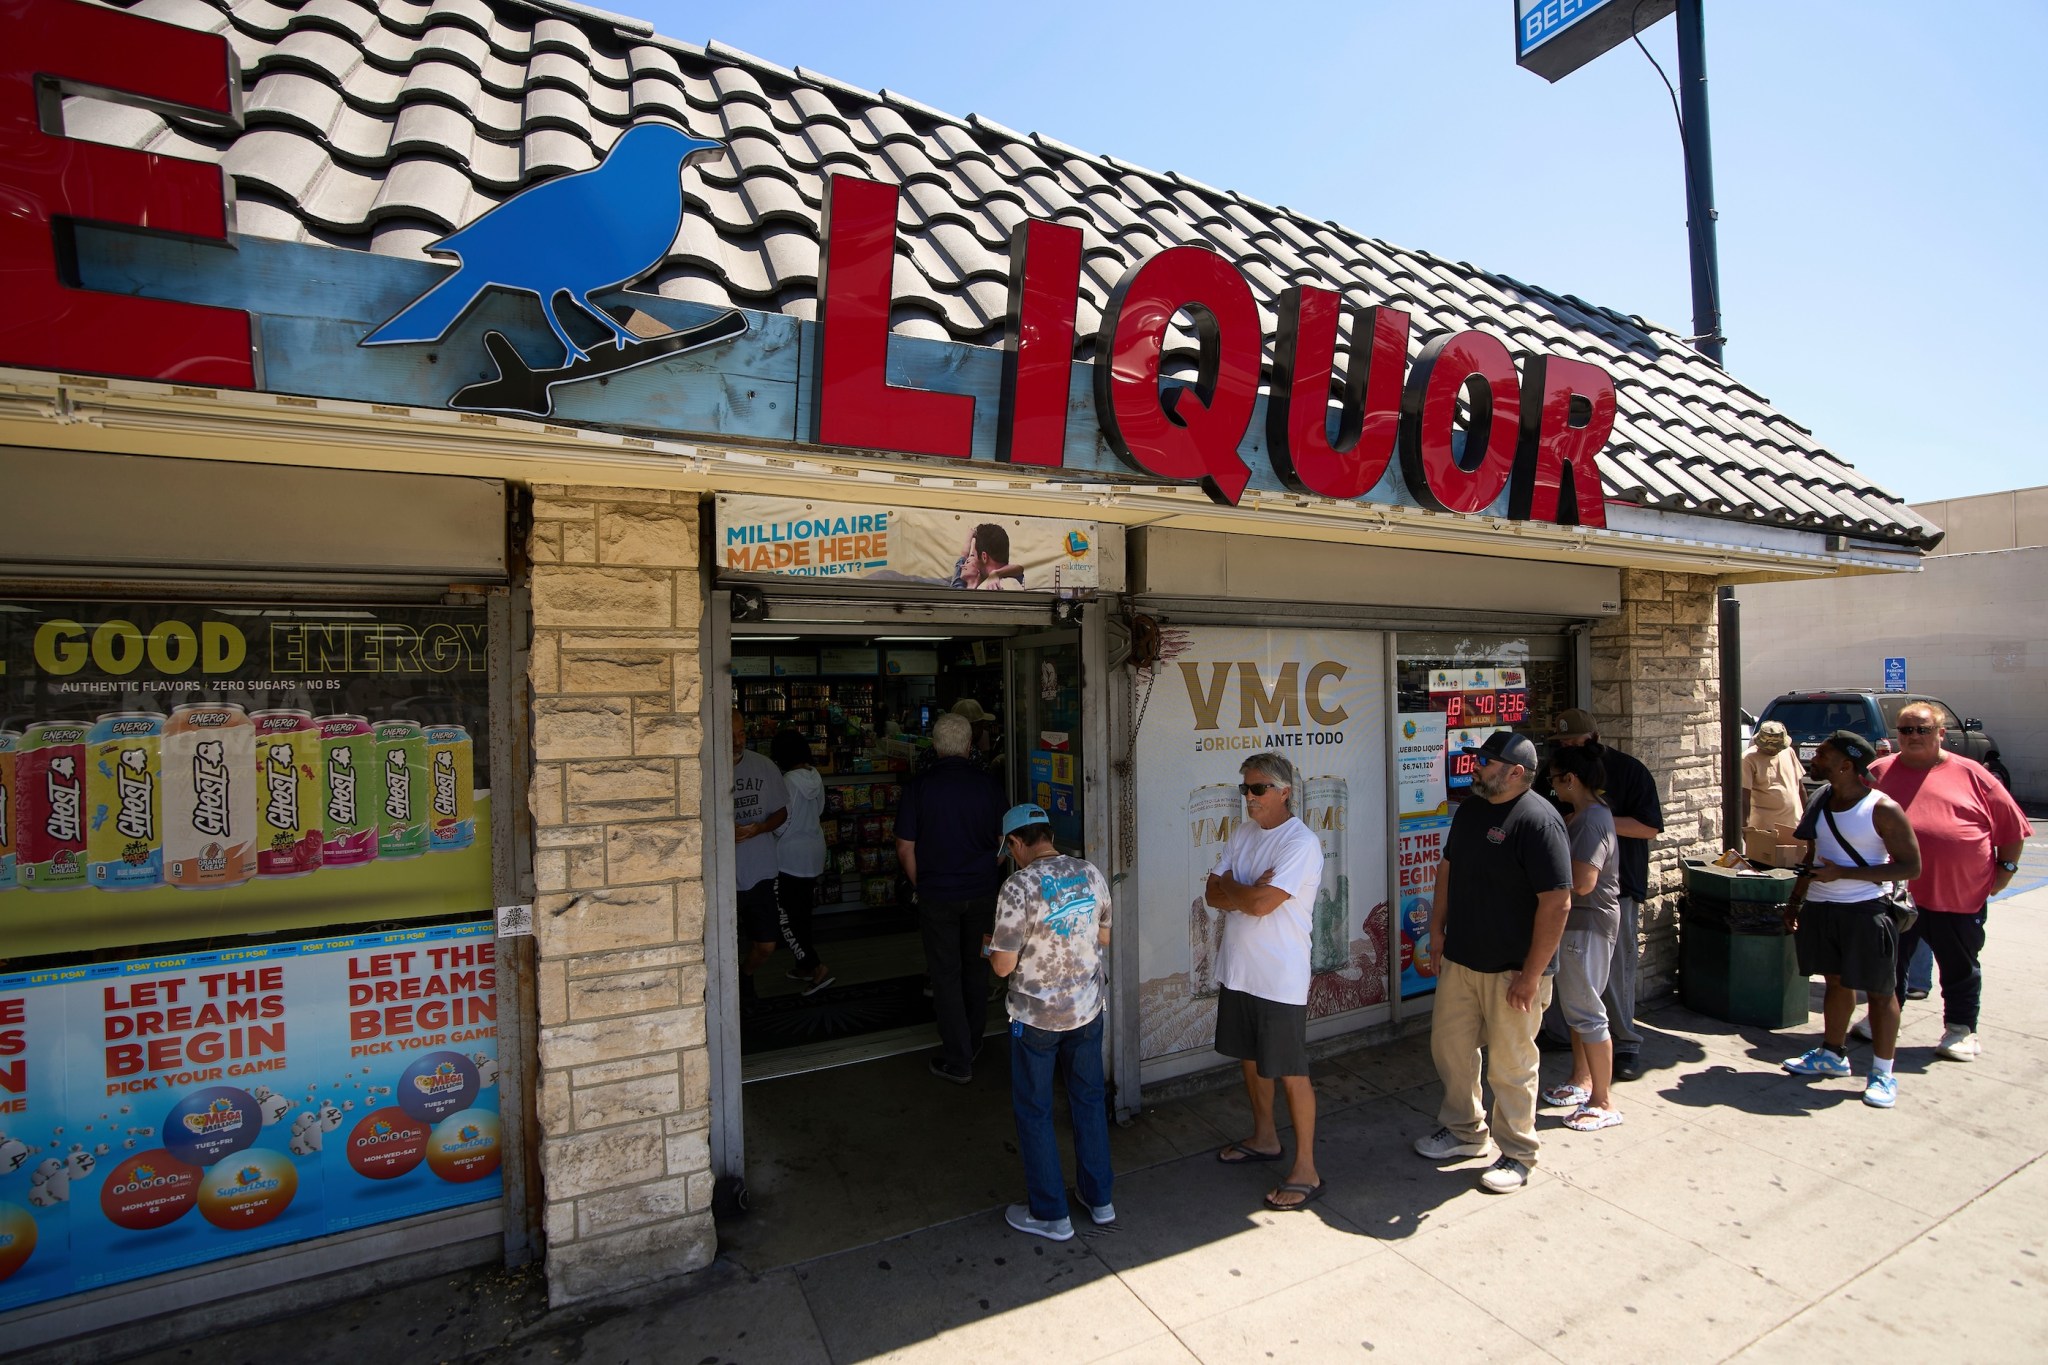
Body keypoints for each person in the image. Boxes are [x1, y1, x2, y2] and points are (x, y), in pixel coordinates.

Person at [1412, 729, 1572, 1195]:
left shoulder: (1539, 822)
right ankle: (1464, 1130)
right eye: (1477, 759)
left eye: (1485, 761)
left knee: (1511, 1065)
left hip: (1513, 971)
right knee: (1451, 1049)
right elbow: (1447, 868)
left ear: (1516, 772)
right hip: (1463, 959)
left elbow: (1557, 903)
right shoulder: (1471, 810)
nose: (1476, 767)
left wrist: (1532, 974)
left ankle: (1518, 1152)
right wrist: (1437, 930)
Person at [1861, 700, 2031, 1062]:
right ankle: (1885, 1019)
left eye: (1922, 729)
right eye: (1906, 730)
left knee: (1959, 966)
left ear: (1941, 733)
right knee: (1889, 963)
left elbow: (2012, 828)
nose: (1913, 736)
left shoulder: (1974, 774)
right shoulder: (1877, 772)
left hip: (1958, 893)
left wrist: (2005, 871)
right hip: (1895, 894)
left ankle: (1960, 1029)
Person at [1204, 752, 1328, 1212]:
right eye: (1246, 789)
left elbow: (1259, 905)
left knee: (1292, 1070)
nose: (1250, 797)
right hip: (1240, 969)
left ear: (1284, 791)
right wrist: (1250, 887)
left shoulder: (1301, 843)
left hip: (1279, 976)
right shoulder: (1243, 833)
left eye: (1258, 789)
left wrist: (1239, 889)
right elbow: (1212, 893)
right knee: (1251, 1058)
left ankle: (1307, 1169)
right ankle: (1265, 1138)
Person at [987, 803, 1115, 1242]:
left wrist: (991, 948)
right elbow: (1103, 936)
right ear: (1048, 835)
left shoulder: (1018, 886)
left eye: (1010, 849)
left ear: (1016, 842)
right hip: (1086, 1010)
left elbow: (1003, 966)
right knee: (1088, 1101)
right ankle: (1100, 1200)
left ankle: (1050, 1215)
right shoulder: (1090, 872)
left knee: (1035, 1110)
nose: (1011, 856)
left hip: (1035, 1018)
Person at [1780, 730, 1921, 1108]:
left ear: (1846, 765)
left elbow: (1911, 867)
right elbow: (1811, 855)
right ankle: (1832, 1053)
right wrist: (1795, 902)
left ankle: (1883, 1072)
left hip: (1866, 910)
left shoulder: (1882, 808)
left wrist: (1843, 873)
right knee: (1835, 983)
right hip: (1822, 907)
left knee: (1880, 992)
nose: (1814, 758)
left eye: (1823, 755)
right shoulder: (1821, 799)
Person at [1539, 708, 1662, 1080]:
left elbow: (1649, 827)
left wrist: (1588, 817)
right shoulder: (1558, 776)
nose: (1566, 746)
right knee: (1569, 977)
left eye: (1572, 740)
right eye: (1561, 741)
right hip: (1565, 894)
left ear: (1592, 738)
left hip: (1612, 889)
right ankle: (1563, 1036)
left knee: (1613, 974)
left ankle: (1624, 1045)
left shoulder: (1627, 772)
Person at [894, 711, 1009, 1083]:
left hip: (937, 896)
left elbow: (905, 847)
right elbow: (1005, 842)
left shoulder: (919, 787)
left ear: (935, 745)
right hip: (982, 894)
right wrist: (987, 868)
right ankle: (972, 1043)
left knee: (945, 974)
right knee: (977, 968)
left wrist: (922, 883)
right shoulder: (988, 785)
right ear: (970, 745)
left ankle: (958, 1059)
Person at [1540, 743, 1624, 1132]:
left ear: (1570, 779)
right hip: (1579, 925)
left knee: (1588, 1013)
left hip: (1587, 925)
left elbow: (1584, 881)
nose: (1553, 788)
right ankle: (1581, 1079)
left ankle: (1602, 1100)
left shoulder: (1591, 821)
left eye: (1554, 781)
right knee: (1578, 1010)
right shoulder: (1586, 815)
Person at [769, 726, 833, 996]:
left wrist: (767, 830)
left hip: (789, 857)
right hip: (814, 851)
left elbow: (783, 821)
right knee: (802, 914)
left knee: (787, 918)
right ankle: (804, 966)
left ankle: (816, 967)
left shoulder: (787, 781)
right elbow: (819, 810)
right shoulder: (815, 775)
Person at [731, 712, 788, 996]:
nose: (737, 741)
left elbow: (781, 812)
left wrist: (761, 828)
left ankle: (745, 975)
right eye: (729, 735)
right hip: (722, 877)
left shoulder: (764, 766)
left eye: (741, 733)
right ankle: (730, 992)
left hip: (760, 871)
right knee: (720, 943)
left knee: (766, 944)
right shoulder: (703, 767)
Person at [1741, 720, 1805, 859]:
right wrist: (1746, 829)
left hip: (1793, 825)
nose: (1773, 750)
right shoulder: (1748, 759)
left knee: (1793, 865)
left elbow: (1800, 786)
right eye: (1769, 748)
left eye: (1777, 747)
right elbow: (1744, 797)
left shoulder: (1788, 751)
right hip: (1766, 829)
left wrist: (1808, 817)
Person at [953, 523, 1024, 590]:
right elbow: (1019, 568)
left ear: (984, 557)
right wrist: (996, 573)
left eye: (973, 555)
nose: (970, 560)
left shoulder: (990, 586)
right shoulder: (1014, 577)